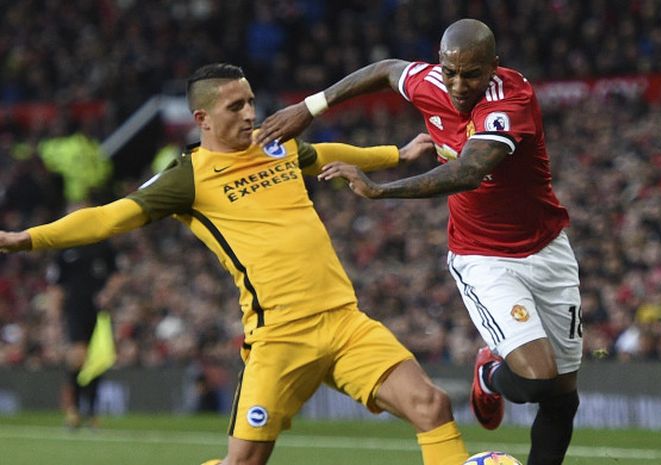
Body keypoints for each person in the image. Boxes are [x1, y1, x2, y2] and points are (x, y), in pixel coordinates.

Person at [0, 63, 470, 465]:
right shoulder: (187, 178)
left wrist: (397, 154)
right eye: (236, 107)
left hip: (346, 323)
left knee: (431, 405)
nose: (250, 113)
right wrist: (27, 239)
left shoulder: (276, 144)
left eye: (250, 102)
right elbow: (108, 218)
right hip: (280, 336)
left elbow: (324, 155)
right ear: (202, 119)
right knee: (244, 461)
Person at [257, 19, 582, 465]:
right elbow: (387, 69)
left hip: (548, 249)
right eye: (450, 71)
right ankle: (490, 373)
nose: (457, 84)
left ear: (494, 67)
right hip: (483, 257)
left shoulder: (510, 100)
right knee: (539, 382)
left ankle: (491, 374)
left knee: (563, 398)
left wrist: (381, 190)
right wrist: (310, 107)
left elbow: (468, 171)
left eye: (470, 74)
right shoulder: (430, 81)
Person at [46, 224, 117, 429]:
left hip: (100, 312)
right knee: (77, 357)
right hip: (74, 310)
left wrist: (108, 293)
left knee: (97, 360)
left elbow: (117, 274)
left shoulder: (103, 245)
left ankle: (92, 413)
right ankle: (75, 410)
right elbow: (57, 285)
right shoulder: (65, 248)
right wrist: (54, 318)